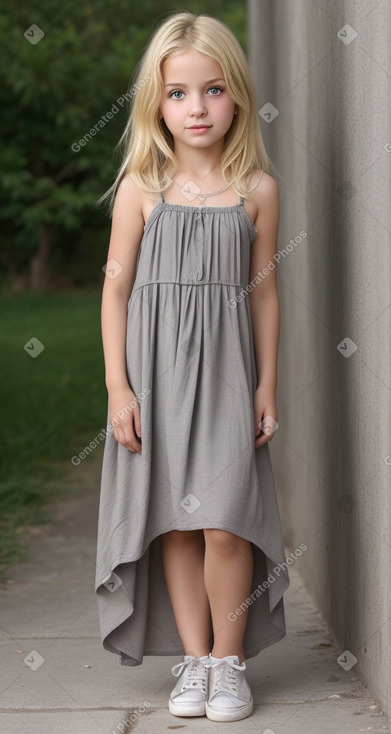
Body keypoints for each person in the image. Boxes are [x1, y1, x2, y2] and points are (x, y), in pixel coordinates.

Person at [95, 10, 290, 724]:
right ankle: (195, 658)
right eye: (177, 94)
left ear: (235, 94)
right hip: (154, 379)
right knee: (174, 524)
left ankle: (230, 664)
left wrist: (267, 384)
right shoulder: (141, 188)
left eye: (211, 90)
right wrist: (119, 387)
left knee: (224, 522)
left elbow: (264, 292)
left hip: (229, 378)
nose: (195, 108)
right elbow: (115, 289)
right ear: (157, 103)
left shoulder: (256, 190)